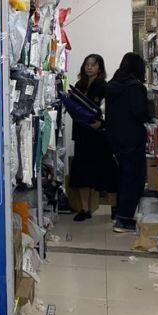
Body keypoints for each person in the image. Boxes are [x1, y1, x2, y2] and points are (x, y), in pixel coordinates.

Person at [69, 54, 117, 221]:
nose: (89, 67)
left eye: (93, 65)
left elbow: (110, 111)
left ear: (99, 68)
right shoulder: (78, 85)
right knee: (82, 172)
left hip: (99, 135)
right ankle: (85, 209)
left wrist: (101, 123)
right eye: (87, 64)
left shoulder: (104, 87)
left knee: (108, 172)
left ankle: (114, 208)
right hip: (82, 134)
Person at [106, 52, 150, 233]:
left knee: (124, 176)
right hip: (132, 138)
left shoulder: (112, 86)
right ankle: (124, 219)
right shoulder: (135, 87)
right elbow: (140, 113)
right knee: (135, 178)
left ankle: (119, 214)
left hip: (115, 138)